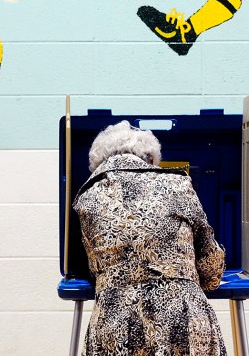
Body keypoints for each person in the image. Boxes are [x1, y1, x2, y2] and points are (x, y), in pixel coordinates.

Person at [73, 121, 226, 356]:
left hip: (115, 324)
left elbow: (93, 269)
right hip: (183, 321)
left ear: (99, 165)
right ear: (152, 160)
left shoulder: (86, 197)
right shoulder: (179, 184)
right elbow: (210, 268)